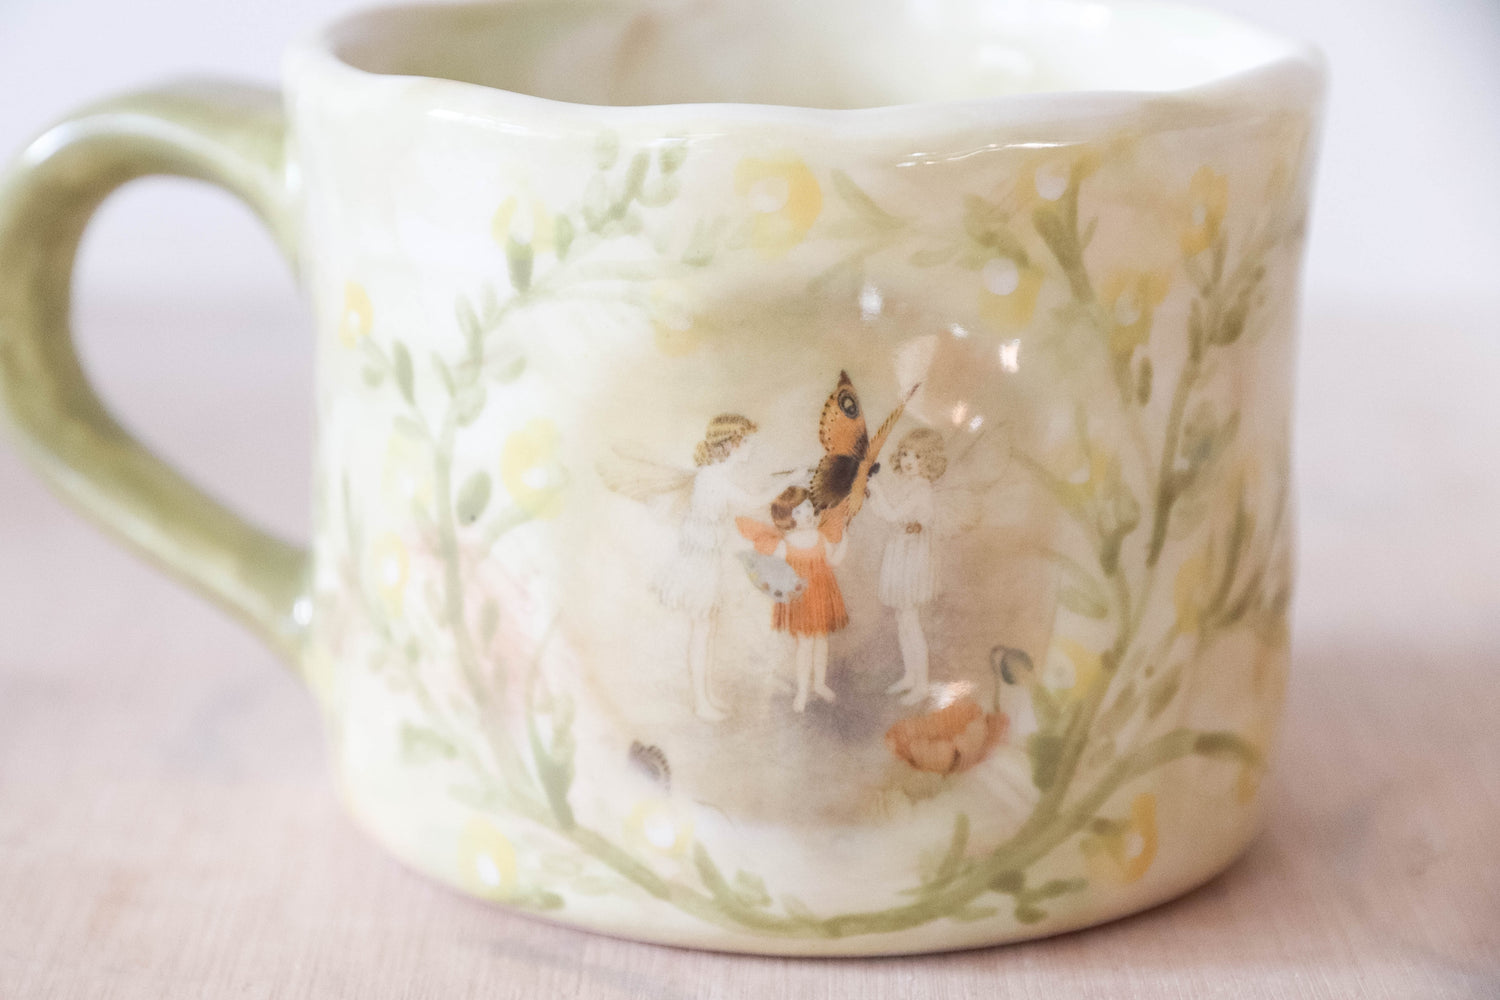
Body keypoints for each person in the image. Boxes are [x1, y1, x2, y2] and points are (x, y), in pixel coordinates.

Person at [737, 485, 849, 713]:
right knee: (805, 645)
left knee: (821, 641)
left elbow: (834, 561)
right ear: (788, 517)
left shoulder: (820, 537)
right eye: (797, 511)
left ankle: (820, 684)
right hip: (801, 600)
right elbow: (771, 568)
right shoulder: (784, 543)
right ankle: (803, 691)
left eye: (807, 506)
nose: (806, 513)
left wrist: (845, 538)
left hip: (822, 596)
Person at [868, 428, 946, 704]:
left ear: (929, 460)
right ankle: (911, 676)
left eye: (917, 456)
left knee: (911, 622)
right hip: (902, 552)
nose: (908, 461)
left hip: (912, 559)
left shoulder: (921, 488)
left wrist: (876, 488)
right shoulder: (909, 485)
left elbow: (893, 515)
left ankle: (922, 685)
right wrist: (872, 493)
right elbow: (886, 514)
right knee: (903, 620)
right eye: (904, 454)